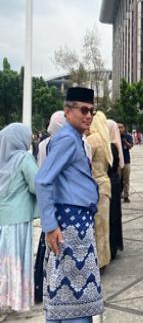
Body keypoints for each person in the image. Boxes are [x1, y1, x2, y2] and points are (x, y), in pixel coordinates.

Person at [35, 87, 103, 323]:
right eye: (83, 110)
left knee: (69, 290)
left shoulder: (73, 138)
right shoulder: (66, 138)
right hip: (71, 226)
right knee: (75, 293)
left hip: (76, 223)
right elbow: (43, 180)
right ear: (68, 111)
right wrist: (50, 226)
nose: (88, 115)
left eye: (92, 111)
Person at [0, 123, 39, 313]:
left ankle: (3, 298)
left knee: (4, 263)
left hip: (3, 220)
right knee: (17, 262)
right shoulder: (24, 158)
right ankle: (16, 301)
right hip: (18, 219)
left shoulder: (2, 160)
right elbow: (36, 184)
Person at [35, 111, 67, 304]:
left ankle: (46, 285)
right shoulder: (81, 143)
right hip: (69, 204)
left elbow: (41, 173)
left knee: (50, 248)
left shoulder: (43, 145)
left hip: (52, 201)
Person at [87, 111, 113, 269]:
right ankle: (103, 259)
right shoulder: (105, 141)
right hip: (105, 184)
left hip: (94, 185)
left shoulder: (92, 140)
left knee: (96, 226)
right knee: (103, 226)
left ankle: (97, 261)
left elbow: (84, 163)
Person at [107, 120, 124, 260]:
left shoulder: (107, 146)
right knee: (115, 215)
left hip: (108, 183)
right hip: (115, 182)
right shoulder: (114, 146)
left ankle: (111, 246)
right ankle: (114, 245)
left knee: (110, 215)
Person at [118, 123, 133, 203]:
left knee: (126, 180)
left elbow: (130, 146)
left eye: (121, 127)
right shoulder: (113, 136)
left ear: (124, 128)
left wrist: (125, 142)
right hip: (117, 163)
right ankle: (118, 195)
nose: (120, 129)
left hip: (126, 161)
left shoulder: (128, 136)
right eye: (118, 127)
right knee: (117, 180)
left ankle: (126, 196)